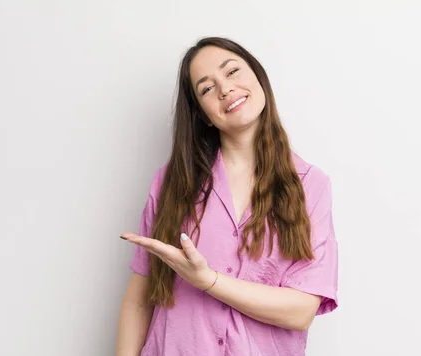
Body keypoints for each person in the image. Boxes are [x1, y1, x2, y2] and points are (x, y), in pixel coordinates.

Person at [116, 36, 338, 356]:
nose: (225, 89)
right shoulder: (173, 181)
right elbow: (138, 301)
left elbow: (301, 310)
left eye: (232, 71)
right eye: (207, 88)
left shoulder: (311, 186)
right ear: (204, 115)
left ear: (258, 77)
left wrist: (207, 280)